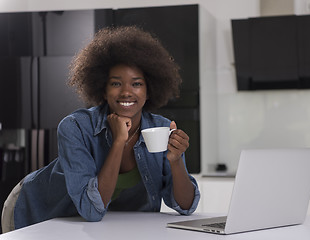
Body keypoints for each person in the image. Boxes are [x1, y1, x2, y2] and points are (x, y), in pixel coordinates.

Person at [1, 26, 200, 233]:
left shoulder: (161, 128)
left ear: (149, 91)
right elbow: (91, 210)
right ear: (103, 90)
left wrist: (176, 161)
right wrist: (118, 142)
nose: (126, 92)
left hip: (101, 228)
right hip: (36, 213)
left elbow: (186, 207)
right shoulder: (76, 127)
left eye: (137, 84)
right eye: (116, 83)